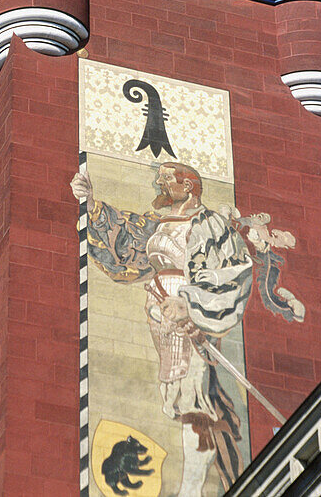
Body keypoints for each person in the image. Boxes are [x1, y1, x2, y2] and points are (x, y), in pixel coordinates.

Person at [71, 162, 253, 497]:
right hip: (161, 320)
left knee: (194, 403)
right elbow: (128, 241)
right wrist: (93, 204)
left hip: (192, 320)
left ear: (189, 185)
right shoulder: (160, 223)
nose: (159, 184)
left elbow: (234, 273)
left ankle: (191, 488)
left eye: (166, 179)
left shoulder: (211, 223)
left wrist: (190, 304)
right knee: (180, 399)